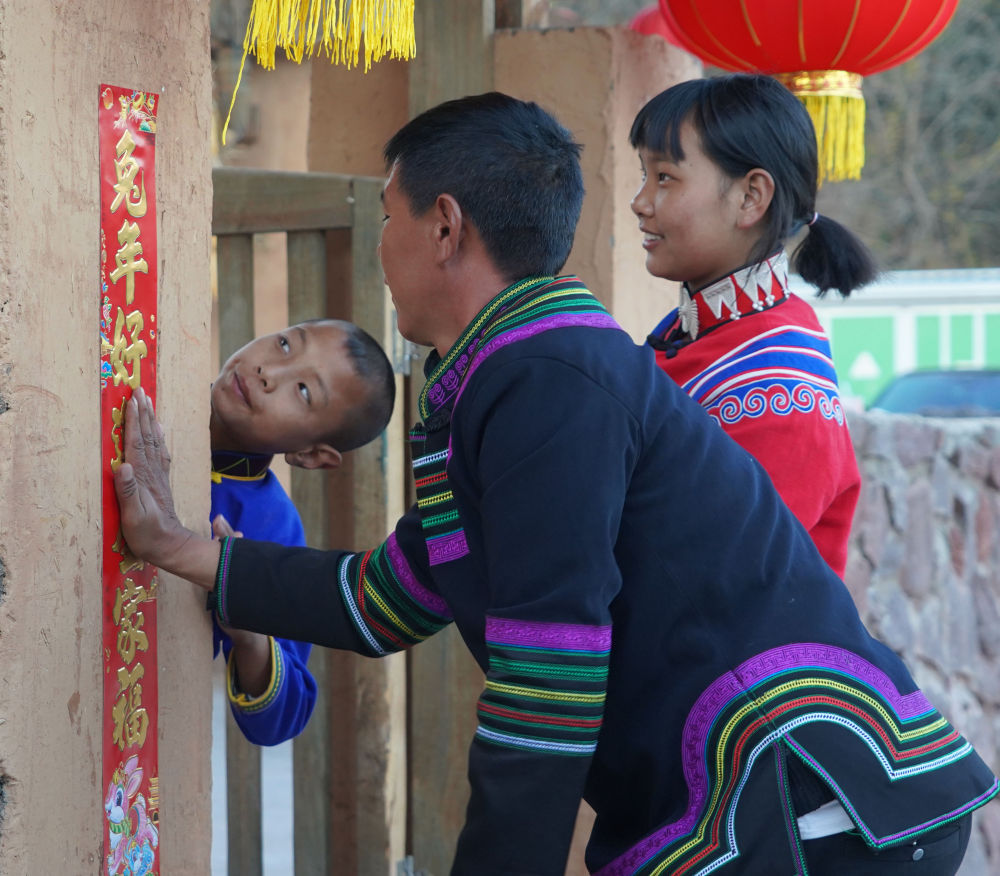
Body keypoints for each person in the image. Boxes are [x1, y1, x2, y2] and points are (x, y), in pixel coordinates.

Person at [115, 92, 996, 875]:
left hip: (809, 810)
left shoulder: (550, 380)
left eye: (387, 216)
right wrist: (180, 549)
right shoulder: (514, 374)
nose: (380, 245)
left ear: (444, 227)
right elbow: (388, 598)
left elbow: (547, 687)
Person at [630, 74, 876, 578]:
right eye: (644, 176)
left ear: (751, 197)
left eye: (665, 177)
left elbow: (715, 582)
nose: (641, 201)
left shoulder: (779, 388)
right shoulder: (691, 332)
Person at [209, 318, 395, 745]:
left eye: (304, 391)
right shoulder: (147, 372)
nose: (268, 372)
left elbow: (282, 718)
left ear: (310, 454)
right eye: (285, 344)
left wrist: (250, 636)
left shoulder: (271, 526)